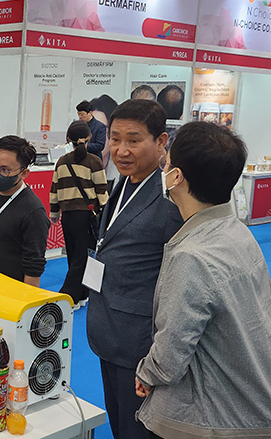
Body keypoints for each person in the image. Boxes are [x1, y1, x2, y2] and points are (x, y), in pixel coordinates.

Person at [134, 121, 271, 439]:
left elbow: (172, 350)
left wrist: (147, 373)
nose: (163, 168)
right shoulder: (237, 232)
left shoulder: (192, 255)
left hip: (216, 418)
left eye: (167, 163)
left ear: (176, 177)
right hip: (259, 405)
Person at [87, 99, 183, 439]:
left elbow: (179, 283)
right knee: (119, 424)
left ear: (161, 142)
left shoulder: (171, 199)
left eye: (133, 140)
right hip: (107, 330)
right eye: (115, 139)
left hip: (139, 343)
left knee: (138, 430)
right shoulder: (123, 184)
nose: (121, 150)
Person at [0, 135, 50, 286]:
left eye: (5, 170)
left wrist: (26, 298)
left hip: (9, 288)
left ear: (24, 173)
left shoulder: (33, 211)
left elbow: (33, 267)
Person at [50, 121, 108, 308]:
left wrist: (54, 211)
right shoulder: (94, 161)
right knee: (83, 256)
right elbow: (101, 190)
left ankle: (81, 294)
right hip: (87, 215)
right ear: (89, 137)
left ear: (68, 139)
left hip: (67, 215)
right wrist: (106, 213)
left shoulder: (62, 161)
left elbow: (54, 188)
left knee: (73, 254)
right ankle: (70, 297)